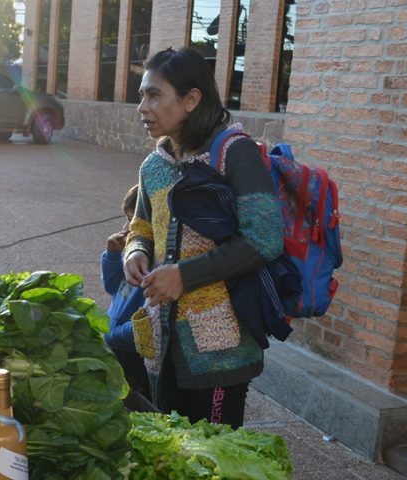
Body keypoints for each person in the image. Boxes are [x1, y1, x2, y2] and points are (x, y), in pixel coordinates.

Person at [123, 48, 284, 428]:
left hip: (221, 351)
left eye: (154, 95)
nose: (142, 107)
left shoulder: (234, 154)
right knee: (170, 445)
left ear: (191, 99)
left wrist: (184, 275)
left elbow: (265, 238)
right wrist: (135, 250)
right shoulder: (153, 166)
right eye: (142, 95)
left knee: (215, 451)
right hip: (162, 341)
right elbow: (141, 224)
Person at [100, 185, 151, 407]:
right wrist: (112, 255)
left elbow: (148, 321)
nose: (126, 227)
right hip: (115, 343)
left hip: (132, 352)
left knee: (136, 400)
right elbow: (113, 286)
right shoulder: (133, 253)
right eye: (127, 219)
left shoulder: (152, 263)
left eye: (132, 220)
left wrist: (112, 335)